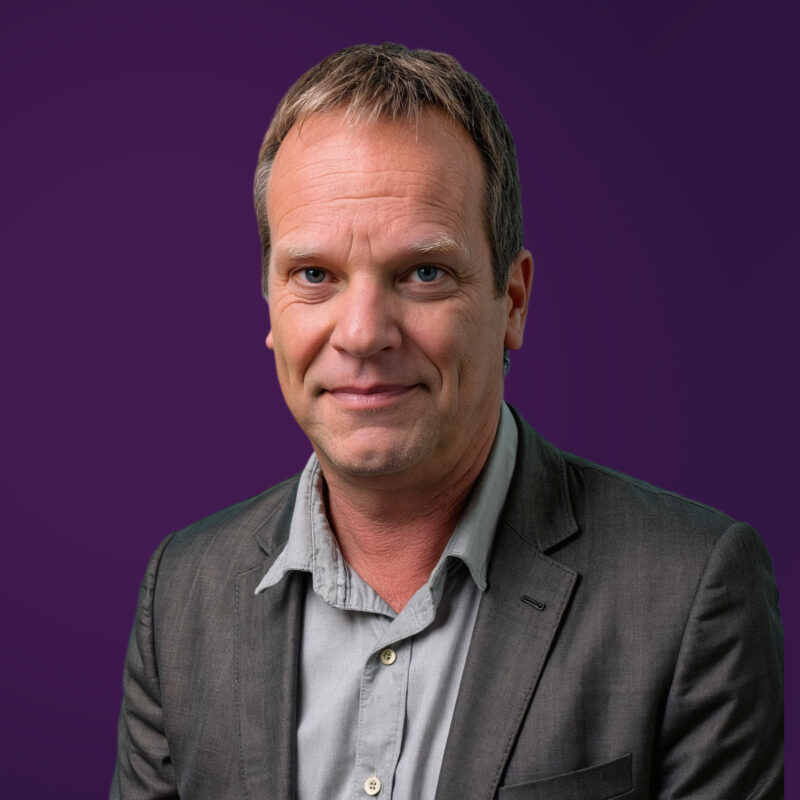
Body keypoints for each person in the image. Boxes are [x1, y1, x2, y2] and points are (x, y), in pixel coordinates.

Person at [110, 43, 783, 799]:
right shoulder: (181, 596)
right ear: (270, 306)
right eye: (315, 275)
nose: (363, 333)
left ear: (513, 302)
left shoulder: (691, 593)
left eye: (424, 273)